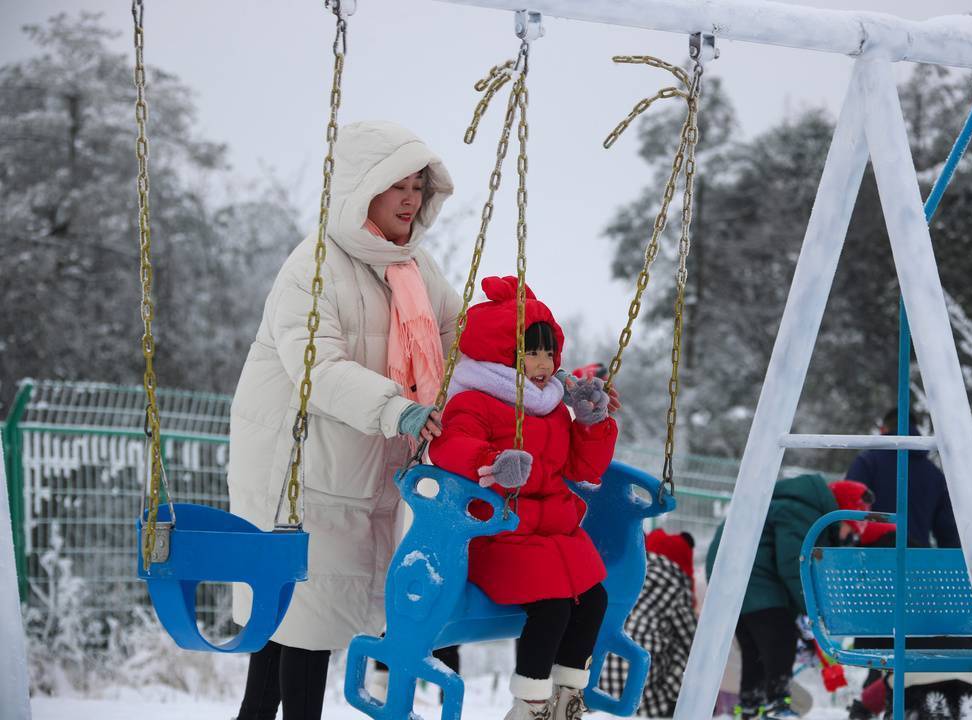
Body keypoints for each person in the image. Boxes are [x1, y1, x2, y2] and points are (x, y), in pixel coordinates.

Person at [228, 121, 461, 720]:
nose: (411, 199)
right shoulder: (314, 267)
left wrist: (535, 382)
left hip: (370, 464)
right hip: (301, 466)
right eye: (396, 186)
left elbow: (458, 348)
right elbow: (317, 366)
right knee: (307, 619)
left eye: (418, 186)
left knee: (305, 619)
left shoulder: (418, 270)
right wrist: (398, 409)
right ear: (362, 191)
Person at [428, 276, 618, 720]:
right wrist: (491, 462)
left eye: (549, 351)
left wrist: (592, 425)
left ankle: (567, 697)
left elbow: (584, 468)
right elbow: (450, 445)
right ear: (501, 354)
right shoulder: (475, 400)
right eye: (531, 351)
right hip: (498, 533)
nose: (543, 363)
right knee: (552, 605)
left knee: (595, 600)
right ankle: (530, 704)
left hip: (553, 534)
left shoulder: (552, 406)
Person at [706, 475, 874, 719]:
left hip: (732, 580)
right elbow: (793, 564)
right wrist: (814, 613)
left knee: (757, 653)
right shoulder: (802, 510)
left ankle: (751, 708)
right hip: (750, 577)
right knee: (780, 639)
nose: (848, 538)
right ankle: (777, 705)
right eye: (850, 529)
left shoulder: (793, 505)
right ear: (839, 513)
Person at [599, 529, 697, 718]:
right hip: (649, 702)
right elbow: (693, 644)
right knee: (685, 647)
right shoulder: (675, 588)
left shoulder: (622, 578)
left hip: (600, 693)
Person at [846, 407, 960, 548]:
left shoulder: (867, 463)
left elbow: (848, 510)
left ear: (883, 430)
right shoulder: (935, 475)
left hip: (869, 559)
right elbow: (948, 532)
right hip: (917, 562)